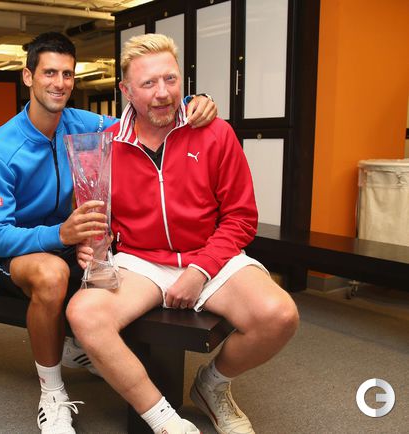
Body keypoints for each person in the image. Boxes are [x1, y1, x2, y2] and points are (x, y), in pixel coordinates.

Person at [0, 32, 217, 434]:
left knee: (121, 266)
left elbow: (142, 114)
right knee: (52, 274)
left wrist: (193, 100)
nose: (59, 83)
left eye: (67, 74)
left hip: (70, 242)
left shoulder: (81, 123)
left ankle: (84, 346)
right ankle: (52, 394)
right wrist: (61, 234)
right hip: (18, 256)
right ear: (28, 77)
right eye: (49, 73)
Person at [66, 33, 300, 434]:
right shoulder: (106, 146)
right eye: (148, 83)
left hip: (209, 254)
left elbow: (241, 217)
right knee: (83, 315)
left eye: (170, 79)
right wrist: (89, 248)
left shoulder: (214, 132)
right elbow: (95, 218)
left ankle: (213, 385)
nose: (162, 93)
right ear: (126, 90)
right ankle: (166, 421)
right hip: (141, 262)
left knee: (279, 316)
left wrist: (201, 269)